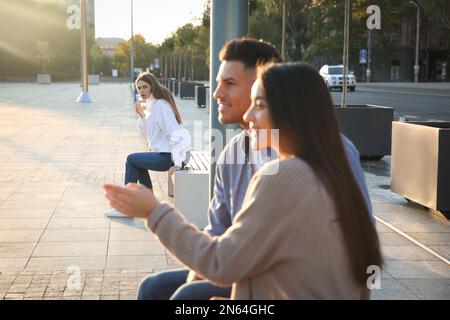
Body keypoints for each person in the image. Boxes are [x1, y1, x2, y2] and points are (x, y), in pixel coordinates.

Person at [102, 63, 382, 299]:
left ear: (292, 113)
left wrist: (153, 211)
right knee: (162, 289)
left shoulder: (285, 176)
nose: (248, 116)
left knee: (183, 298)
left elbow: (219, 262)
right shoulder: (333, 162)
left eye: (258, 105)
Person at [105, 72, 191, 218]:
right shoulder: (152, 105)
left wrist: (177, 163)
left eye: (145, 87)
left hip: (169, 156)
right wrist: (143, 116)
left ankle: (128, 207)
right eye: (139, 88)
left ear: (153, 86)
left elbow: (176, 134)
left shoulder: (160, 106)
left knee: (131, 159)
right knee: (136, 162)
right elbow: (149, 137)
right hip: (165, 154)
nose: (142, 91)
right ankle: (149, 203)